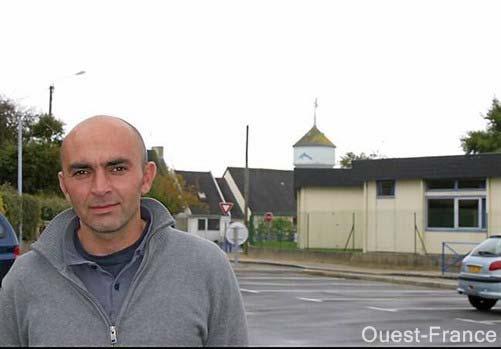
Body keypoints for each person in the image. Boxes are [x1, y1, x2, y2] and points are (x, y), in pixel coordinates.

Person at [0, 115, 248, 346]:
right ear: (65, 185)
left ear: (147, 177)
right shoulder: (23, 280)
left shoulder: (206, 267)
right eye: (82, 172)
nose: (100, 188)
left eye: (117, 168)